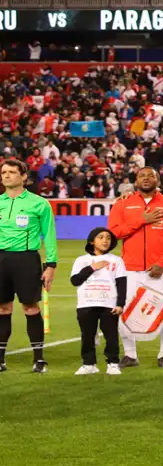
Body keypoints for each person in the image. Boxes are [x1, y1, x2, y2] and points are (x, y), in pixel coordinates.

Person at [108, 167, 163, 368]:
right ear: (135, 180)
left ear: (158, 180)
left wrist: (162, 262)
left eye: (151, 175)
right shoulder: (123, 204)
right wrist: (142, 219)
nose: (146, 178)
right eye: (142, 175)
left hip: (162, 269)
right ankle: (130, 355)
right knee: (124, 311)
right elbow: (114, 233)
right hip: (130, 269)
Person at [0, 159, 58, 373]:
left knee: (30, 307)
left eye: (12, 172)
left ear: (23, 176)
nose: (6, 176)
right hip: (1, 260)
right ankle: (0, 360)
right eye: (3, 172)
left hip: (27, 260)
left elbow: (49, 235)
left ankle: (39, 359)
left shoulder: (39, 203)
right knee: (3, 308)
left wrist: (51, 264)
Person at [70, 227, 126, 376]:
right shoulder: (81, 260)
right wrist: (92, 268)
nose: (105, 241)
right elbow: (75, 281)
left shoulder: (116, 260)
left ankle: (113, 364)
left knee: (111, 335)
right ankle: (89, 364)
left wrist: (120, 304)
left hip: (109, 304)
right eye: (101, 237)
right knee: (87, 336)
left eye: (108, 238)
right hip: (86, 303)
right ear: (91, 241)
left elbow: (121, 283)